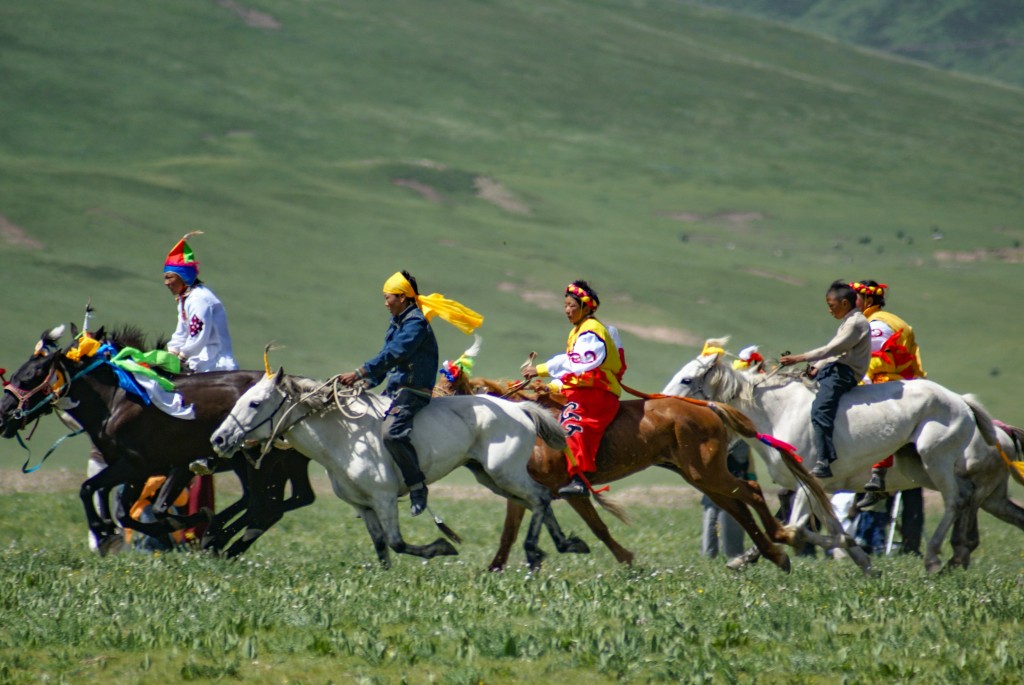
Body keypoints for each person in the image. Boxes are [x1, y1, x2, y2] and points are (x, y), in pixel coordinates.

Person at [338, 271, 483, 516]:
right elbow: (387, 359)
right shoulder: (398, 323)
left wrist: (360, 372)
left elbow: (395, 353)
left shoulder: (415, 323)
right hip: (396, 388)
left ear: (403, 298)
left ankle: (417, 486)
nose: (385, 303)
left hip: (414, 390)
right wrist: (367, 382)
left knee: (391, 433)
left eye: (388, 298)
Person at [163, 232, 237, 537]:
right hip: (196, 362)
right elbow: (181, 335)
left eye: (169, 277)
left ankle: (205, 452)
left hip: (214, 366)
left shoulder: (202, 299)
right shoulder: (185, 300)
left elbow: (199, 339)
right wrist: (167, 351)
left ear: (183, 277)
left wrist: (180, 354)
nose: (166, 283)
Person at [522, 280, 626, 497]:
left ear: (586, 307)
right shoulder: (577, 331)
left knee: (573, 423)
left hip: (598, 393)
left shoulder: (592, 331)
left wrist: (540, 369)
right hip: (583, 389)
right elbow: (573, 374)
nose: (568, 310)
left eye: (572, 306)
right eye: (565, 305)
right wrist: (549, 386)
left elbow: (577, 363)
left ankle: (579, 478)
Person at [779, 280, 871, 479]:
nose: (830, 311)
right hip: (835, 368)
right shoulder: (848, 321)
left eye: (832, 306)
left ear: (845, 304)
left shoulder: (856, 323)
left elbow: (832, 350)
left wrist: (800, 358)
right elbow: (833, 354)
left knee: (820, 409)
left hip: (845, 373)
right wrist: (816, 367)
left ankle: (824, 460)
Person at [850, 280, 926, 500]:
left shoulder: (878, 324)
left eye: (855, 297)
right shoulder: (872, 321)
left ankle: (878, 472)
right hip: (892, 377)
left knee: (876, 418)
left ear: (869, 300)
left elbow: (873, 358)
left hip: (888, 378)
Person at [701, 438, 755, 560]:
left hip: (733, 487)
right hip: (714, 486)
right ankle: (710, 559)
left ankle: (733, 559)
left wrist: (751, 478)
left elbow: (748, 462)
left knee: (732, 546)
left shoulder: (740, 439)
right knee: (710, 526)